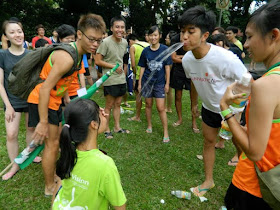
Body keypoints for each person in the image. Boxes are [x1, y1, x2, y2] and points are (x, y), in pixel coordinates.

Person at [27, 14, 106, 196]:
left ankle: (54, 175)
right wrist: (43, 122)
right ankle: (49, 187)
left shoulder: (78, 55)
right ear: (79, 34)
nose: (95, 44)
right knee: (53, 144)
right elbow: (46, 88)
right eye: (92, 39)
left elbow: (63, 84)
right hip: (42, 100)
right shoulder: (67, 57)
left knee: (55, 142)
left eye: (99, 40)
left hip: (54, 101)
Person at [179, 6, 247, 196]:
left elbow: (247, 80)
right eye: (182, 31)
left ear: (205, 35)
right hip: (209, 107)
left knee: (240, 144)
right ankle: (208, 181)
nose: (184, 37)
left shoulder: (225, 58)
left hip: (231, 110)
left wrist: (237, 107)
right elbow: (193, 81)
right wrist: (194, 104)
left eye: (190, 32)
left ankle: (247, 173)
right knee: (208, 142)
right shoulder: (187, 60)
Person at [221, 1, 280, 209]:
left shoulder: (266, 85)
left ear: (274, 35)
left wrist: (226, 110)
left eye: (249, 36)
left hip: (254, 186)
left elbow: (255, 151)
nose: (245, 44)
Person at [52, 99, 126, 209]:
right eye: (100, 112)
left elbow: (59, 186)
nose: (104, 112)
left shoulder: (69, 151)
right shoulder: (105, 165)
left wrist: (95, 113)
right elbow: (120, 206)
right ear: (94, 124)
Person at [0, 20, 41, 180]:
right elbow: (0, 84)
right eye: (12, 32)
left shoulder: (31, 54)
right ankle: (15, 165)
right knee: (11, 134)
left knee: (31, 130)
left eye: (19, 31)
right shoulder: (2, 55)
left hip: (31, 100)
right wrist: (8, 106)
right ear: (6, 37)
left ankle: (29, 156)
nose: (17, 35)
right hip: (12, 102)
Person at [95, 16, 130, 139]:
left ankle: (117, 127)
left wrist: (123, 71)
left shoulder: (125, 42)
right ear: (111, 28)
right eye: (117, 27)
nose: (120, 30)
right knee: (109, 105)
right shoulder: (105, 42)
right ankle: (106, 129)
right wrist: (113, 66)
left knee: (118, 103)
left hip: (121, 78)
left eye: (122, 27)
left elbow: (122, 59)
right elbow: (97, 60)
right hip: (109, 78)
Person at [138, 25, 172, 143]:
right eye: (151, 35)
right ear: (148, 36)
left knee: (160, 107)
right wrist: (140, 83)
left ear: (160, 36)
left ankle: (166, 131)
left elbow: (167, 68)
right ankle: (149, 125)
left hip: (159, 83)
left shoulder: (164, 50)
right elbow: (142, 67)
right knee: (148, 104)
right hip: (147, 82)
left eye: (155, 35)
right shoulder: (145, 51)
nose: (153, 37)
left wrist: (167, 83)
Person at [169, 32, 199, 132]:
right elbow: (173, 58)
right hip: (179, 70)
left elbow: (197, 57)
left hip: (192, 70)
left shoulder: (193, 37)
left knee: (193, 98)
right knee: (178, 96)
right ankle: (180, 119)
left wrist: (180, 57)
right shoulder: (175, 39)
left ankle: (194, 122)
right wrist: (187, 59)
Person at [56, 24, 86, 105]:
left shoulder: (77, 54)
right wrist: (66, 97)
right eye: (67, 38)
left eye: (72, 39)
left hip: (75, 91)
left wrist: (83, 89)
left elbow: (81, 74)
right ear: (60, 39)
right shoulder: (59, 55)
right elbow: (62, 77)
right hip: (61, 91)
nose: (70, 41)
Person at [126, 33, 149, 122]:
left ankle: (137, 116)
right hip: (149, 74)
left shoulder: (133, 47)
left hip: (140, 74)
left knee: (138, 95)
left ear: (130, 41)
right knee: (148, 97)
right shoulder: (147, 44)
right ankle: (148, 117)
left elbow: (133, 64)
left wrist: (135, 74)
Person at [164, 30, 176, 113]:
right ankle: (169, 108)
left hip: (170, 71)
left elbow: (170, 63)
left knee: (166, 90)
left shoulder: (170, 50)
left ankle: (166, 107)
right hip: (173, 71)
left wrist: (166, 74)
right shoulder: (174, 48)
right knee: (170, 90)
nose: (165, 39)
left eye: (167, 38)